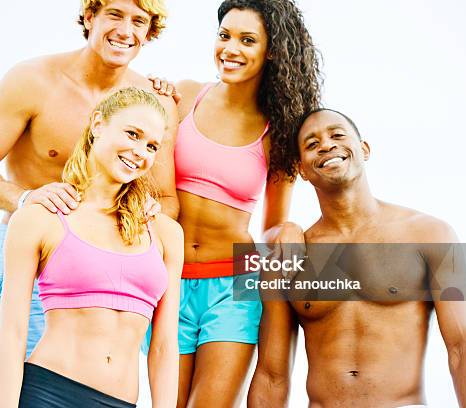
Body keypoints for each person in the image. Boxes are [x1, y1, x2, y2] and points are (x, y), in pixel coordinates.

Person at [0, 0, 179, 363]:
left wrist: (149, 209)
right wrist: (28, 199)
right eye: (115, 15)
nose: (125, 30)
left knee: (94, 385)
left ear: (149, 32)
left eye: (139, 21)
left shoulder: (153, 102)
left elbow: (166, 199)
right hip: (35, 256)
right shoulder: (33, 81)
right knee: (24, 383)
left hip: (108, 260)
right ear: (90, 16)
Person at [144, 0, 321, 406]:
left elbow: (272, 225)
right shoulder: (185, 96)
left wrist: (290, 230)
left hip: (234, 284)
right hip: (167, 278)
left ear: (271, 50)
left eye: (247, 40)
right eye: (225, 36)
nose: (231, 49)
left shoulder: (279, 130)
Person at [249, 108, 466, 407]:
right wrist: (278, 231)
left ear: (364, 149)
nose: (326, 145)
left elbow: (464, 346)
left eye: (337, 135)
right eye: (311, 143)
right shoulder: (288, 253)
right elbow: (272, 375)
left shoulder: (430, 234)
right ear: (303, 170)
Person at [0, 87, 183, 407]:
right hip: (47, 394)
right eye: (132, 134)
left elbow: (164, 346)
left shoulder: (165, 233)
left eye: (151, 145)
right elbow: (12, 334)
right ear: (97, 124)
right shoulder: (39, 219)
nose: (140, 151)